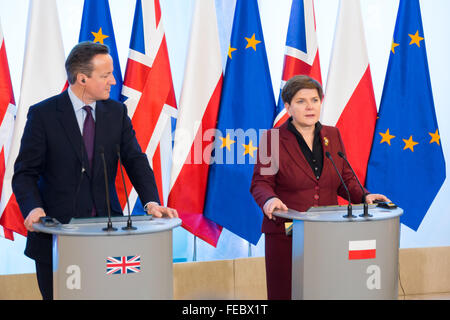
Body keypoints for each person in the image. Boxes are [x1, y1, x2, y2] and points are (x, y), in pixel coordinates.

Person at [12, 41, 178, 300]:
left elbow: (135, 160)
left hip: (108, 236)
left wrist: (151, 202)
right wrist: (33, 208)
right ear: (82, 79)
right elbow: (24, 173)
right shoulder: (44, 115)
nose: (113, 80)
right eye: (105, 75)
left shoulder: (116, 112)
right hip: (56, 237)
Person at [250, 75, 389, 300]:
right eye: (301, 101)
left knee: (325, 291)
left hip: (327, 231)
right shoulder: (272, 139)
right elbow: (260, 183)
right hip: (287, 233)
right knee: (287, 292)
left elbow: (344, 177)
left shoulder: (332, 135)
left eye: (314, 100)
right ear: (288, 106)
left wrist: (365, 196)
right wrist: (269, 200)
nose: (310, 107)